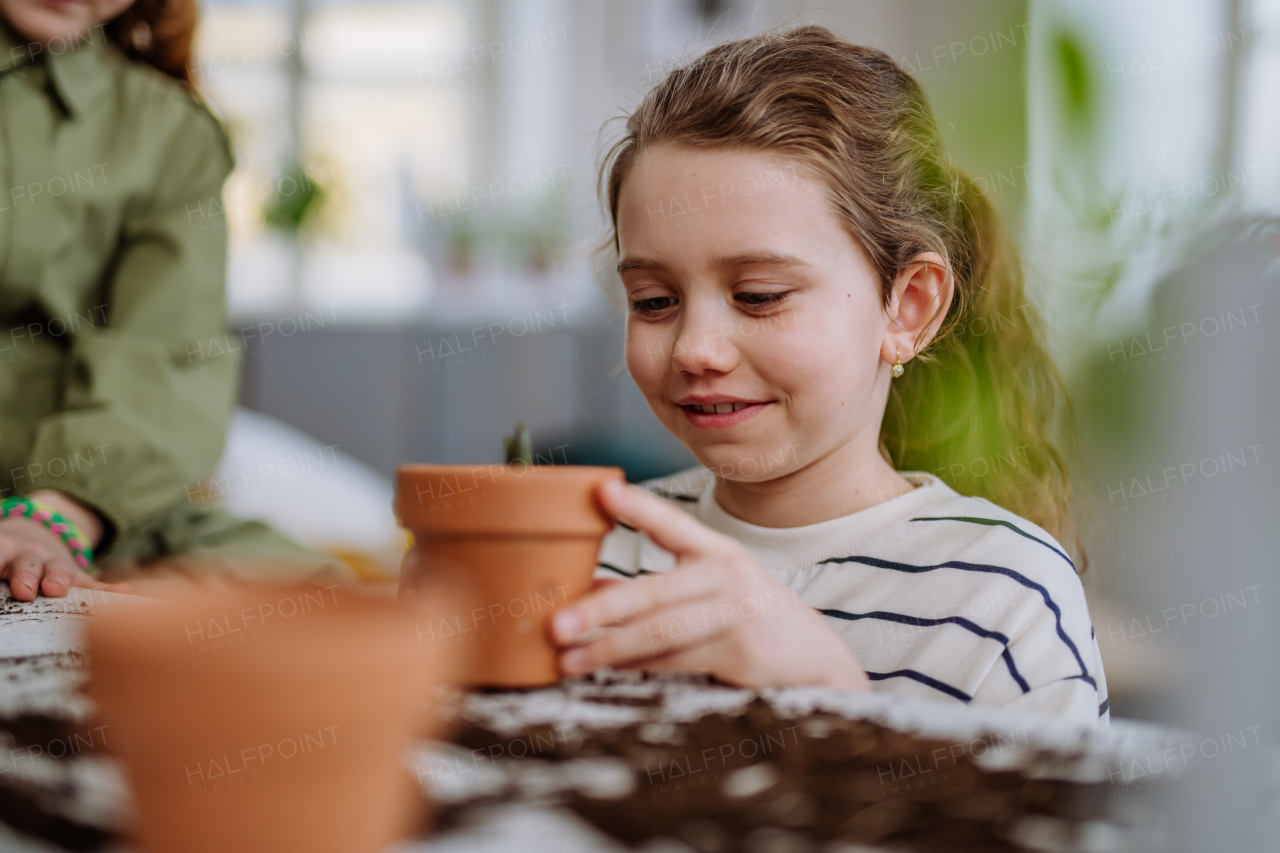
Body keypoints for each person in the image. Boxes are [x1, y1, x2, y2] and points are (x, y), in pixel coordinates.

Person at [549, 27, 1108, 724]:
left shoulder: (1006, 597)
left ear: (908, 307)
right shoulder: (595, 560)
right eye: (654, 302)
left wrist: (835, 699)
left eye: (758, 295)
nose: (696, 348)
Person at [0, 0, 342, 601]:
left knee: (329, 602)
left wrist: (54, 519)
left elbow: (162, 355)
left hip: (87, 519)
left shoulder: (169, 133)